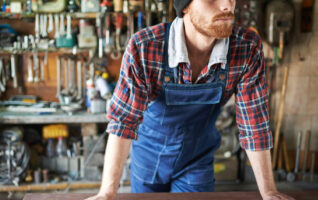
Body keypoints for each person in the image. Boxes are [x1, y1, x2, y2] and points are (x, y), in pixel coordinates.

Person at [86, 0, 294, 199]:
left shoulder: (246, 48)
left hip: (197, 159)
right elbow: (124, 121)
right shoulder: (145, 47)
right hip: (149, 158)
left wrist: (268, 191)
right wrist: (107, 193)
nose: (227, 5)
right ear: (185, 5)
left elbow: (254, 125)